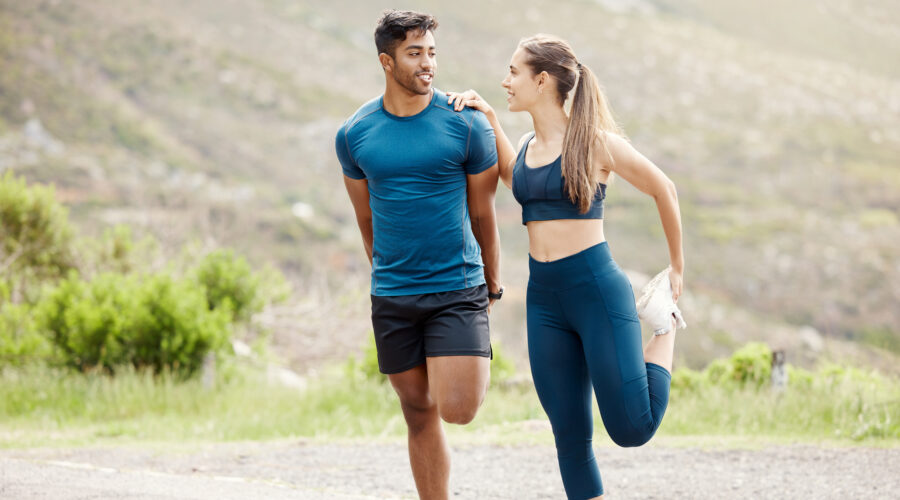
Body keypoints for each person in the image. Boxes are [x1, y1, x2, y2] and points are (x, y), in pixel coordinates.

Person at [447, 34, 685, 499]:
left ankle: (666, 328)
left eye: (513, 72)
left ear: (541, 80)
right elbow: (519, 178)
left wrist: (677, 269)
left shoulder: (595, 143)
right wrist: (490, 119)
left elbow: (665, 189)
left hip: (595, 289)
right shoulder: (527, 144)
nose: (505, 81)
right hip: (545, 301)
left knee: (631, 428)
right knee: (570, 439)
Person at [335, 10, 503, 500]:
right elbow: (366, 221)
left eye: (432, 52)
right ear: (387, 61)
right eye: (415, 53)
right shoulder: (354, 134)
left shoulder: (466, 124)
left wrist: (492, 284)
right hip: (393, 294)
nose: (428, 63)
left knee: (459, 408)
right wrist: (387, 275)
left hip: (457, 287)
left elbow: (485, 216)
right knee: (418, 411)